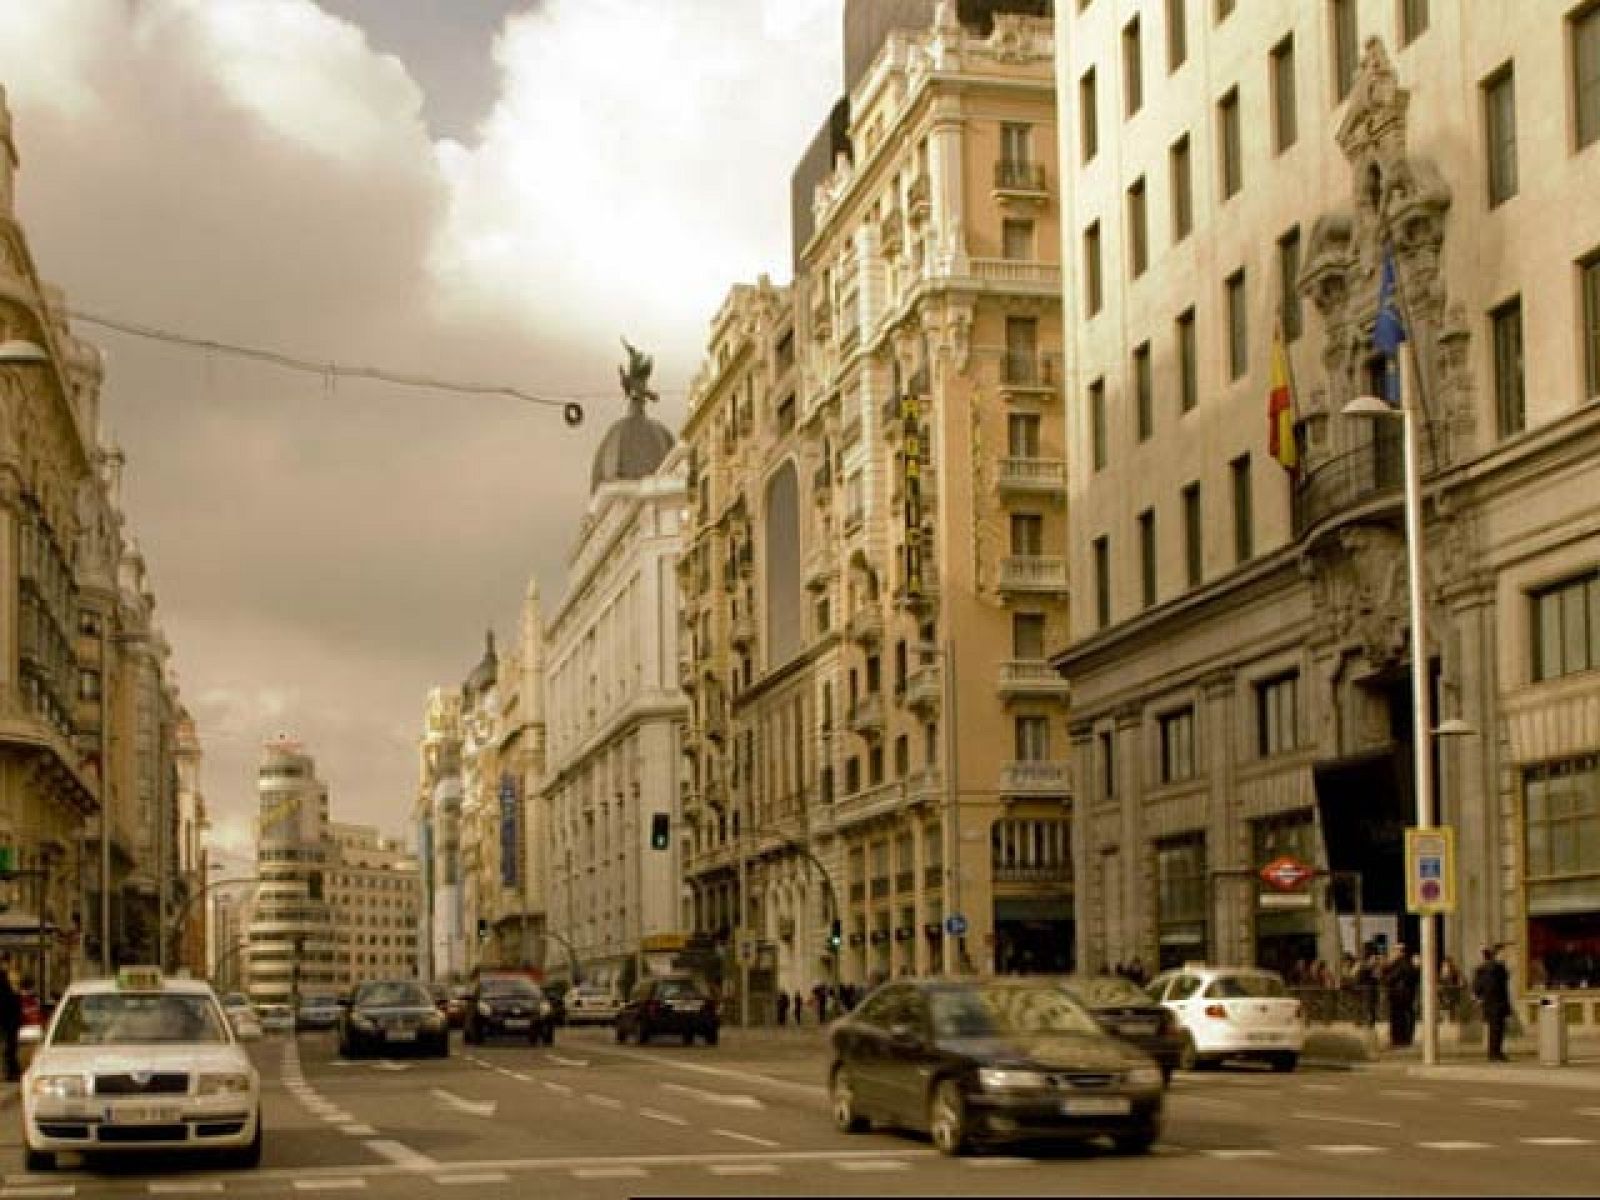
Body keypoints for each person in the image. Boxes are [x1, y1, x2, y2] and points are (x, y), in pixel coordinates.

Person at [1472, 944, 1512, 1062]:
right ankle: (1495, 1053)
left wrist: (1479, 996)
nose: (1506, 956)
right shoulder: (1495, 968)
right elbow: (1492, 985)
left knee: (1495, 1029)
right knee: (1497, 1029)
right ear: (1496, 955)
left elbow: (1478, 985)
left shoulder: (1486, 968)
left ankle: (1494, 1052)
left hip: (1492, 1003)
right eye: (1503, 954)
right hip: (1496, 1003)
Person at [1384, 944, 1418, 1048]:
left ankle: (1400, 1040)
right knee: (1400, 1018)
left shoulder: (1401, 964)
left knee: (1399, 1018)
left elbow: (1390, 978)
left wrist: (1387, 968)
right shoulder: (1404, 964)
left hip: (1400, 996)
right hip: (1401, 996)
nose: (1393, 952)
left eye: (1395, 950)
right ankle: (1402, 1039)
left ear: (1401, 952)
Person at [0, 958, 21, 1081]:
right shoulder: (6, 981)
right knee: (10, 1047)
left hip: (9, 1019)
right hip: (9, 1019)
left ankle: (11, 1071)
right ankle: (10, 1071)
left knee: (10, 1047)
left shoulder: (8, 979)